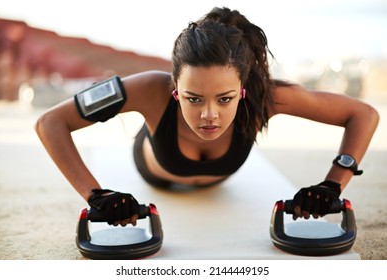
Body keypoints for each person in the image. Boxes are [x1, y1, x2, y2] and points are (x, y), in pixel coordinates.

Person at [35, 7, 379, 227]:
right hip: (156, 168)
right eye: (193, 98)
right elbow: (50, 122)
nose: (209, 115)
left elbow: (362, 114)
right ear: (174, 88)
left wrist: (333, 183)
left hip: (217, 180)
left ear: (242, 89)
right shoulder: (148, 88)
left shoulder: (266, 96)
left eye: (225, 99)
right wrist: (96, 196)